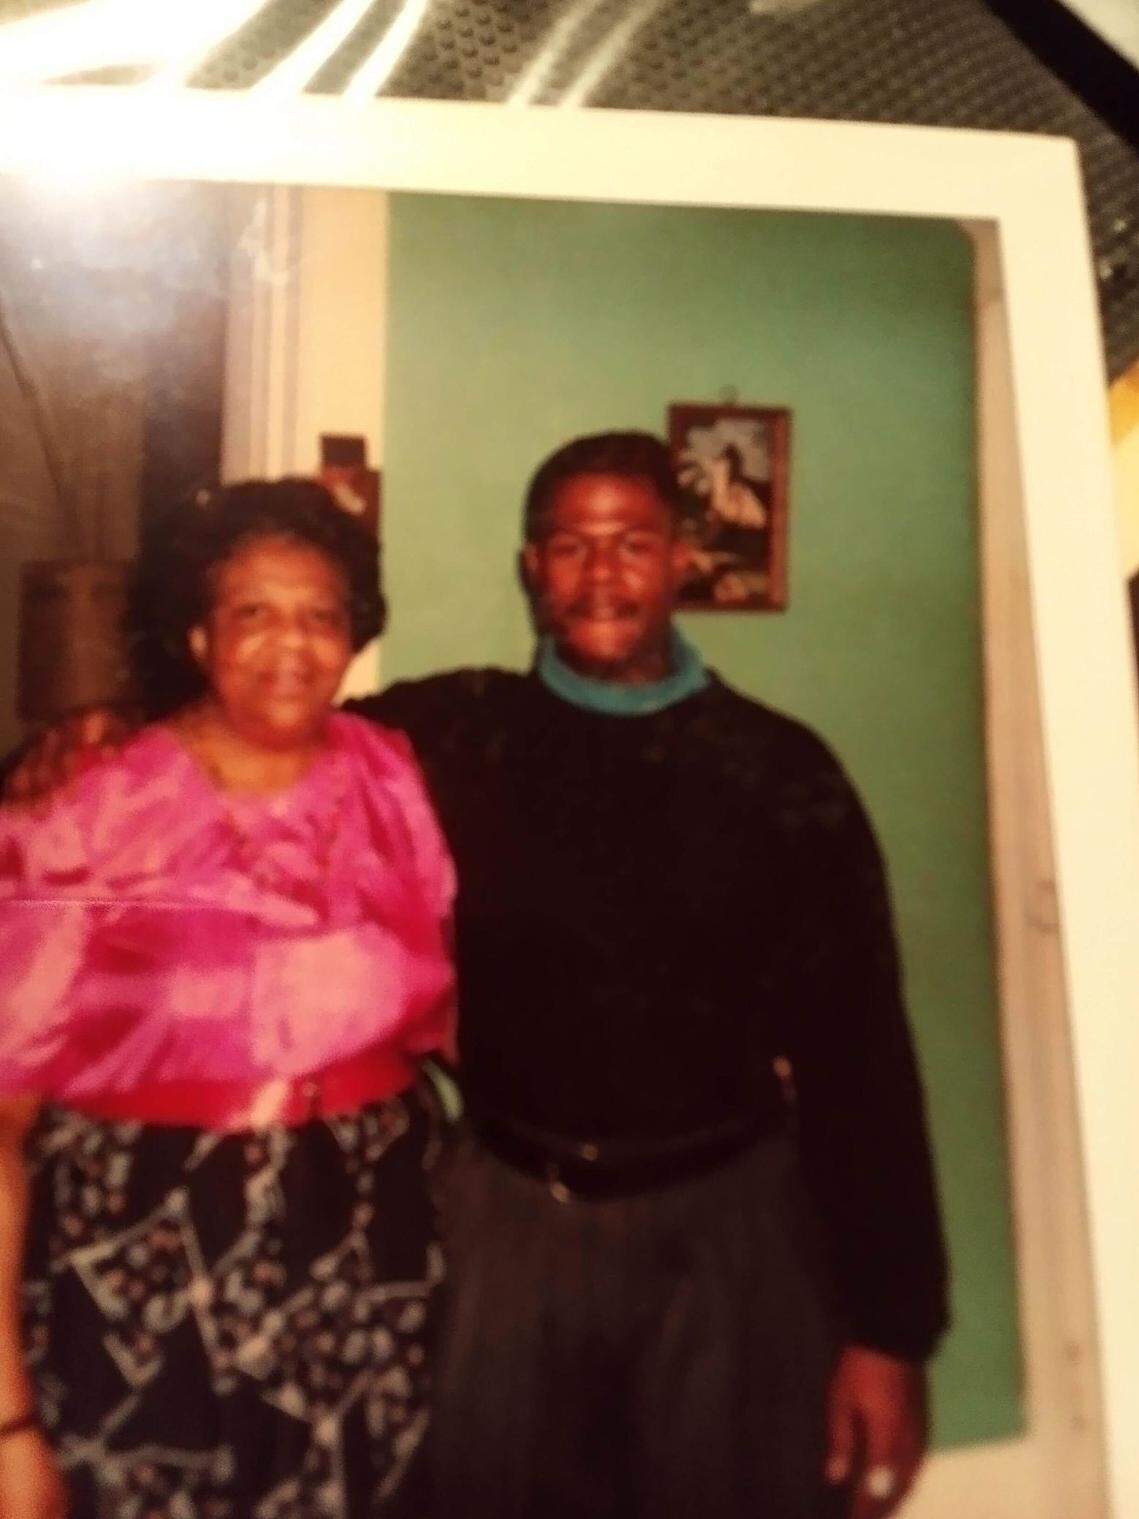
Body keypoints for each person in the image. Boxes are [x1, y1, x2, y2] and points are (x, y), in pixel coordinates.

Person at [8, 434, 948, 1519]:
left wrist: (890, 1329)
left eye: (633, 543)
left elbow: (863, 1062)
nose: (601, 573)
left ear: (682, 559)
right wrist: (102, 727)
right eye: (569, 546)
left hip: (723, 1228)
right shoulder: (450, 735)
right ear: (531, 569)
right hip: (505, 1226)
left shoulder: (785, 773)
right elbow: (262, 724)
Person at [0, 480, 455, 1519]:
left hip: (373, 1243)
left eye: (320, 614)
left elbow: (455, 1015)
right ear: (199, 635)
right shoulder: (85, 806)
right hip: (143, 1263)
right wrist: (6, 1423)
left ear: (354, 637)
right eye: (253, 613)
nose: (289, 645)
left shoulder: (394, 773)